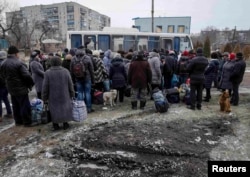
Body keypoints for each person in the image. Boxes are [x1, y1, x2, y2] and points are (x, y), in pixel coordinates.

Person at [0, 46, 34, 126]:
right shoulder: (19, 63)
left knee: (15, 105)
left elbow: (2, 76)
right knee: (24, 105)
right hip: (21, 88)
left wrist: (8, 83)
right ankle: (27, 122)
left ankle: (18, 121)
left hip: (11, 88)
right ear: (16, 53)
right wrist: (30, 84)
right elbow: (27, 76)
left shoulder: (3, 63)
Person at [42, 56, 75, 130]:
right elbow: (70, 84)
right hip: (64, 94)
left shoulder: (47, 73)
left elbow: (45, 87)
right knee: (65, 108)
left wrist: (44, 97)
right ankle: (65, 123)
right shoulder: (65, 71)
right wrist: (72, 93)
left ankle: (55, 124)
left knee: (54, 109)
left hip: (53, 95)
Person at [70, 48, 95, 113]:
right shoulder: (87, 58)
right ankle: (89, 108)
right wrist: (93, 80)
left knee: (80, 93)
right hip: (87, 77)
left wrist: (72, 80)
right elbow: (91, 70)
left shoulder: (73, 59)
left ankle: (80, 108)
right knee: (87, 93)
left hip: (77, 78)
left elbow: (71, 71)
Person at [0, 51, 13, 122]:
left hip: (0, 85)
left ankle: (0, 116)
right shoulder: (6, 64)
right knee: (5, 98)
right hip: (6, 84)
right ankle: (9, 112)